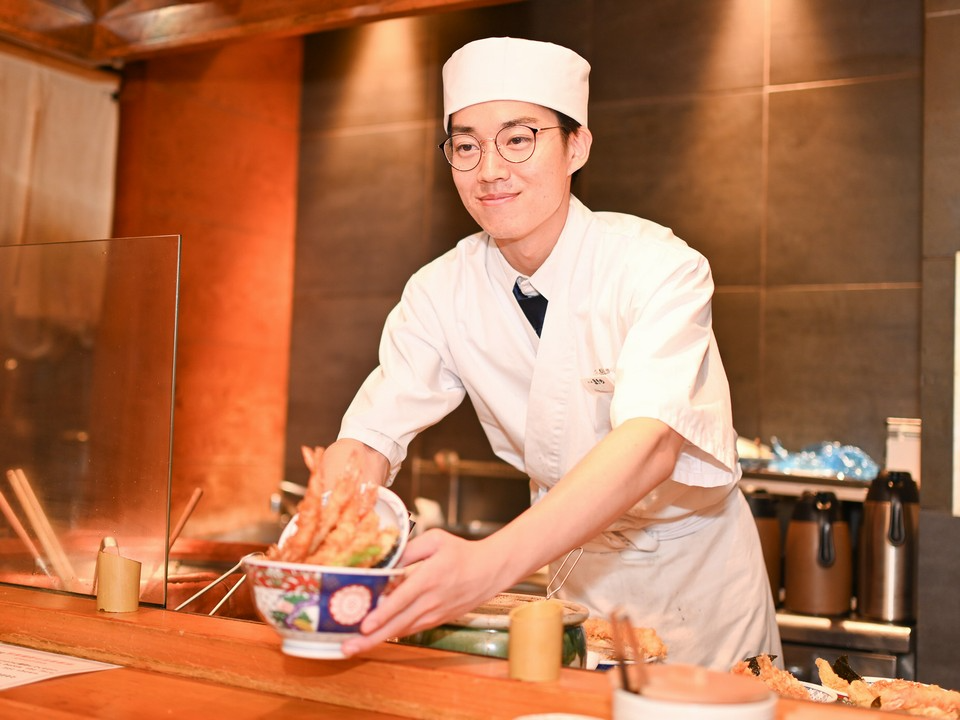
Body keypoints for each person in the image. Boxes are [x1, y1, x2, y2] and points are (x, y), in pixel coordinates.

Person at [324, 36, 782, 670]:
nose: (489, 169)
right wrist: (332, 524)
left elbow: (652, 444)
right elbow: (372, 434)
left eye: (519, 138)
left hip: (697, 586)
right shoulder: (440, 290)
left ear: (577, 146)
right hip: (571, 577)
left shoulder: (658, 266)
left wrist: (489, 564)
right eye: (466, 145)